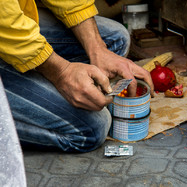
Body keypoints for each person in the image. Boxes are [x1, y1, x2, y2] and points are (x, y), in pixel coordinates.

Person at [0, 0, 154, 152]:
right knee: (93, 129)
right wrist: (61, 72)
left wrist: (97, 49)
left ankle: (41, 86)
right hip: (5, 26)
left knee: (117, 40)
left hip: (11, 20)